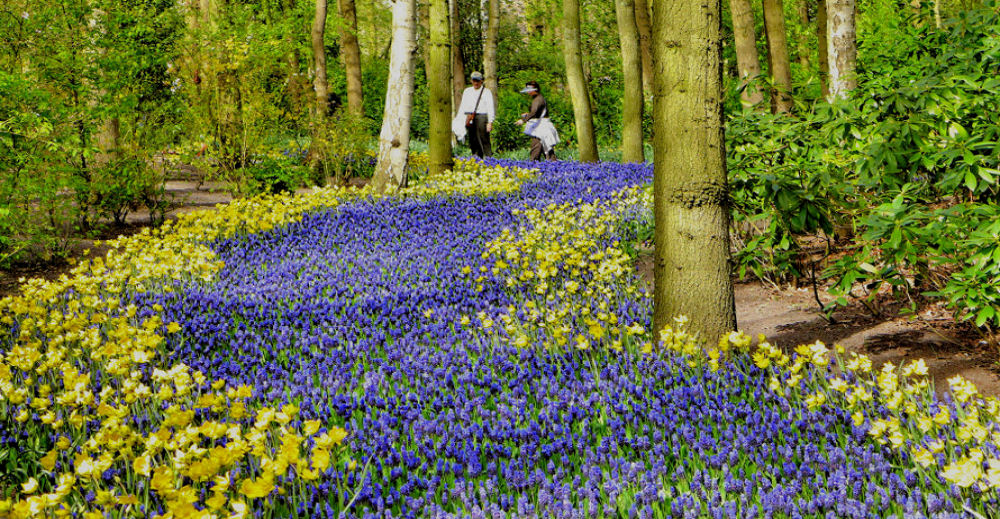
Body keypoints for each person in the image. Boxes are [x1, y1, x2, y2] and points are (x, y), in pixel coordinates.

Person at [452, 71, 495, 158]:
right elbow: (463, 106)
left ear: (481, 81)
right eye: (474, 80)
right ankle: (476, 158)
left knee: (483, 139)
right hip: (469, 117)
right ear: (471, 81)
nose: (476, 83)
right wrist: (460, 119)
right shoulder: (467, 91)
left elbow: (490, 107)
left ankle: (489, 159)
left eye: (477, 81)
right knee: (473, 140)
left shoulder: (486, 92)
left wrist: (490, 122)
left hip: (482, 116)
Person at [515, 81, 558, 161]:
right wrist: (528, 114)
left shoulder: (537, 100)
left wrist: (523, 120)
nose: (528, 93)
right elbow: (537, 112)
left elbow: (534, 111)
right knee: (547, 149)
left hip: (541, 127)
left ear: (534, 90)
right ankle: (553, 167)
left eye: (529, 91)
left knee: (537, 147)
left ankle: (534, 167)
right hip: (543, 126)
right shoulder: (539, 98)